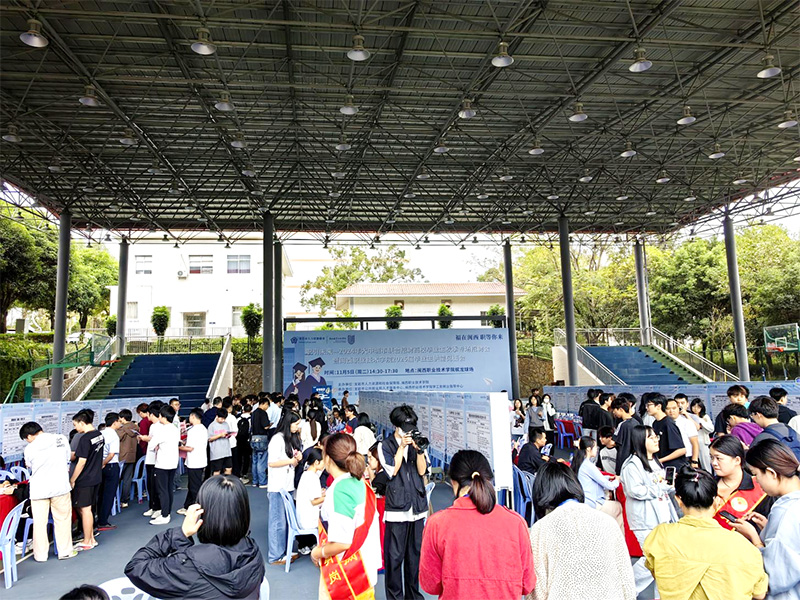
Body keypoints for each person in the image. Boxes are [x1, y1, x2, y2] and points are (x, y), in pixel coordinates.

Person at [125, 475, 266, 599]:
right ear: (243, 511)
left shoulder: (191, 567)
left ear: (203, 514)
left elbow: (136, 567)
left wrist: (180, 534)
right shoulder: (253, 552)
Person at [420, 449, 535, 600]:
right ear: (488, 480)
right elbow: (527, 584)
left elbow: (430, 584)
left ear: (453, 482)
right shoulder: (516, 523)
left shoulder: (437, 524)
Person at [643, 465, 768, 600]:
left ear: (678, 500)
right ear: (717, 501)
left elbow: (656, 571)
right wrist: (757, 542)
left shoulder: (660, 536)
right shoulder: (742, 546)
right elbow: (759, 593)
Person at [528, 462, 635, 600]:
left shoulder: (541, 529)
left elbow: (538, 590)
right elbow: (626, 580)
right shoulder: (608, 522)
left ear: (540, 492)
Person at [310, 433, 381, 600]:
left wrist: (317, 552)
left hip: (347, 577)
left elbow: (342, 543)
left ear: (328, 459)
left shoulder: (339, 491)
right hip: (365, 571)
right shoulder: (360, 482)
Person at [730, 439, 800, 600]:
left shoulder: (786, 513)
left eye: (756, 474)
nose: (756, 481)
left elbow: (774, 574)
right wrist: (769, 528)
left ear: (771, 473)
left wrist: (754, 538)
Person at [620, 425, 677, 597]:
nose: (656, 440)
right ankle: (626, 588)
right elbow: (635, 491)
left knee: (663, 559)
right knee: (653, 557)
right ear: (640, 441)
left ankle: (659, 595)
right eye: (650, 437)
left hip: (662, 516)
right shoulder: (632, 465)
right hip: (645, 519)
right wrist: (661, 488)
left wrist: (668, 486)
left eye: (655, 436)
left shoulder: (655, 461)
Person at [378, 405, 429, 600]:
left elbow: (422, 471)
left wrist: (419, 451)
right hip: (397, 509)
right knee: (394, 557)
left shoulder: (417, 441)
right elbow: (392, 471)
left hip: (417, 508)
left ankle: (413, 596)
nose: (409, 433)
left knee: (414, 557)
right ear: (396, 427)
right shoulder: (386, 445)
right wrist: (401, 447)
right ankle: (395, 597)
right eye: (405, 428)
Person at [19, 421, 76, 561]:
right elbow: (68, 457)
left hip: (39, 489)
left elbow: (29, 465)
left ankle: (40, 555)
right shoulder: (61, 439)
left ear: (29, 436)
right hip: (60, 486)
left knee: (39, 523)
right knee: (62, 520)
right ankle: (65, 551)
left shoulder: (30, 448)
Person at [708, 435, 770, 530]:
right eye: (711, 457)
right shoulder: (708, 485)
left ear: (737, 460)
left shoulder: (760, 487)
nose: (713, 463)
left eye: (718, 458)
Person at [267, 410, 302, 565]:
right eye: (296, 424)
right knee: (277, 522)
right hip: (277, 486)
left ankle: (284, 551)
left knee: (286, 521)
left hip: (287, 485)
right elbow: (272, 462)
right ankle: (275, 555)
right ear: (288, 423)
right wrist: (291, 461)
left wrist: (297, 458)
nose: (297, 427)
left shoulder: (289, 438)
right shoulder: (277, 439)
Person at [70, 409, 104, 551]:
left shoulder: (84, 439)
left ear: (82, 423)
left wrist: (73, 479)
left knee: (85, 510)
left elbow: (81, 462)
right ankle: (91, 538)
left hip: (85, 479)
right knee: (86, 509)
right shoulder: (99, 435)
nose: (75, 428)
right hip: (95, 476)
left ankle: (87, 540)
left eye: (75, 425)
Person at [571, 435, 623, 530]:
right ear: (588, 449)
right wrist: (617, 480)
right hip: (592, 503)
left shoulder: (579, 462)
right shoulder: (588, 465)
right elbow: (610, 486)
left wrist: (608, 477)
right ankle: (618, 536)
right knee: (618, 507)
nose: (597, 449)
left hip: (583, 500)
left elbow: (596, 478)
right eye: (595, 447)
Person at [151, 405, 180, 525]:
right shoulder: (175, 428)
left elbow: (151, 445)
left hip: (162, 464)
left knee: (162, 490)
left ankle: (165, 515)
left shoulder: (162, 430)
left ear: (163, 417)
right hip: (173, 462)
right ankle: (166, 512)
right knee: (168, 489)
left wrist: (156, 446)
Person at [748, 396, 800, 461]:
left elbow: (751, 463)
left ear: (758, 415)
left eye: (752, 415)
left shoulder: (762, 438)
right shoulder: (793, 432)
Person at [294, 447, 325, 554]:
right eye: (323, 462)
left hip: (302, 517)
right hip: (308, 520)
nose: (325, 465)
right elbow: (314, 501)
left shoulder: (306, 474)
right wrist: (328, 497)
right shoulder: (313, 477)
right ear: (316, 462)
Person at [179, 408, 207, 514]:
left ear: (193, 416)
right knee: (192, 485)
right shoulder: (203, 428)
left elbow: (190, 448)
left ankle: (197, 509)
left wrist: (178, 447)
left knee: (194, 486)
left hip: (195, 461)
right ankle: (188, 505)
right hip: (199, 460)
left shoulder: (193, 430)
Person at [139, 401, 164, 519]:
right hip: (150, 458)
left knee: (155, 485)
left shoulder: (160, 426)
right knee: (150, 484)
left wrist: (146, 438)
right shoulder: (153, 426)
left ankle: (158, 507)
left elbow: (156, 440)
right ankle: (152, 506)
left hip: (156, 459)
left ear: (152, 414)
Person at [647, 395, 687, 468]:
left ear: (658, 406)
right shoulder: (655, 423)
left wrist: (661, 460)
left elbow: (681, 450)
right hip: (663, 465)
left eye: (649, 405)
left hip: (674, 467)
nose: (647, 408)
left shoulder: (668, 424)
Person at [97, 412, 121, 531]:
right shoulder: (114, 435)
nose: (120, 423)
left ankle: (98, 517)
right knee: (109, 494)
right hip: (110, 465)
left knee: (100, 494)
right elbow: (111, 454)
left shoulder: (100, 433)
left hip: (100, 467)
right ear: (115, 422)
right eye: (119, 421)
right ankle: (103, 521)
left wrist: (101, 464)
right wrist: (104, 463)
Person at [611, 396, 639, 475]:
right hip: (633, 460)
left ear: (620, 409)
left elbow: (613, 442)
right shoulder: (636, 422)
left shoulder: (622, 425)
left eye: (614, 410)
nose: (613, 413)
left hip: (623, 459)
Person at [117, 409, 139, 509]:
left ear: (122, 418)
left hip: (122, 457)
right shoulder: (135, 427)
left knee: (117, 479)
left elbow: (117, 438)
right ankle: (124, 501)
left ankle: (116, 500)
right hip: (132, 456)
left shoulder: (122, 429)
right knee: (127, 480)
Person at [669, 396, 700, 467]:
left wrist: (694, 461)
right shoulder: (665, 423)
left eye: (674, 408)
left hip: (686, 457)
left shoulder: (687, 422)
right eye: (668, 409)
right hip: (671, 457)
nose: (671, 411)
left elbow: (695, 443)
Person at [250, 396, 271, 488]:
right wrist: (270, 425)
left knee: (254, 461)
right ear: (264, 404)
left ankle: (255, 481)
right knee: (262, 461)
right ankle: (262, 482)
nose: (267, 407)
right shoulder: (263, 413)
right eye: (267, 405)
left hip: (253, 438)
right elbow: (265, 426)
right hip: (262, 438)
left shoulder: (253, 413)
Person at [688, 398, 713, 472]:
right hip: (691, 442)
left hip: (703, 443)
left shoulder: (704, 417)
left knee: (705, 464)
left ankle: (708, 477)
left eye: (698, 407)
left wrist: (700, 421)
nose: (696, 409)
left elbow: (711, 429)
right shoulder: (689, 416)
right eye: (694, 406)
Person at [208, 408, 233, 476]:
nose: (223, 420)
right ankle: (216, 482)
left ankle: (227, 481)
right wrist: (220, 435)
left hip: (227, 451)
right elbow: (209, 439)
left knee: (229, 469)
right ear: (217, 416)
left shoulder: (226, 424)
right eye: (221, 418)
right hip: (217, 453)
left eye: (224, 419)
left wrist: (228, 435)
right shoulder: (212, 425)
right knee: (217, 471)